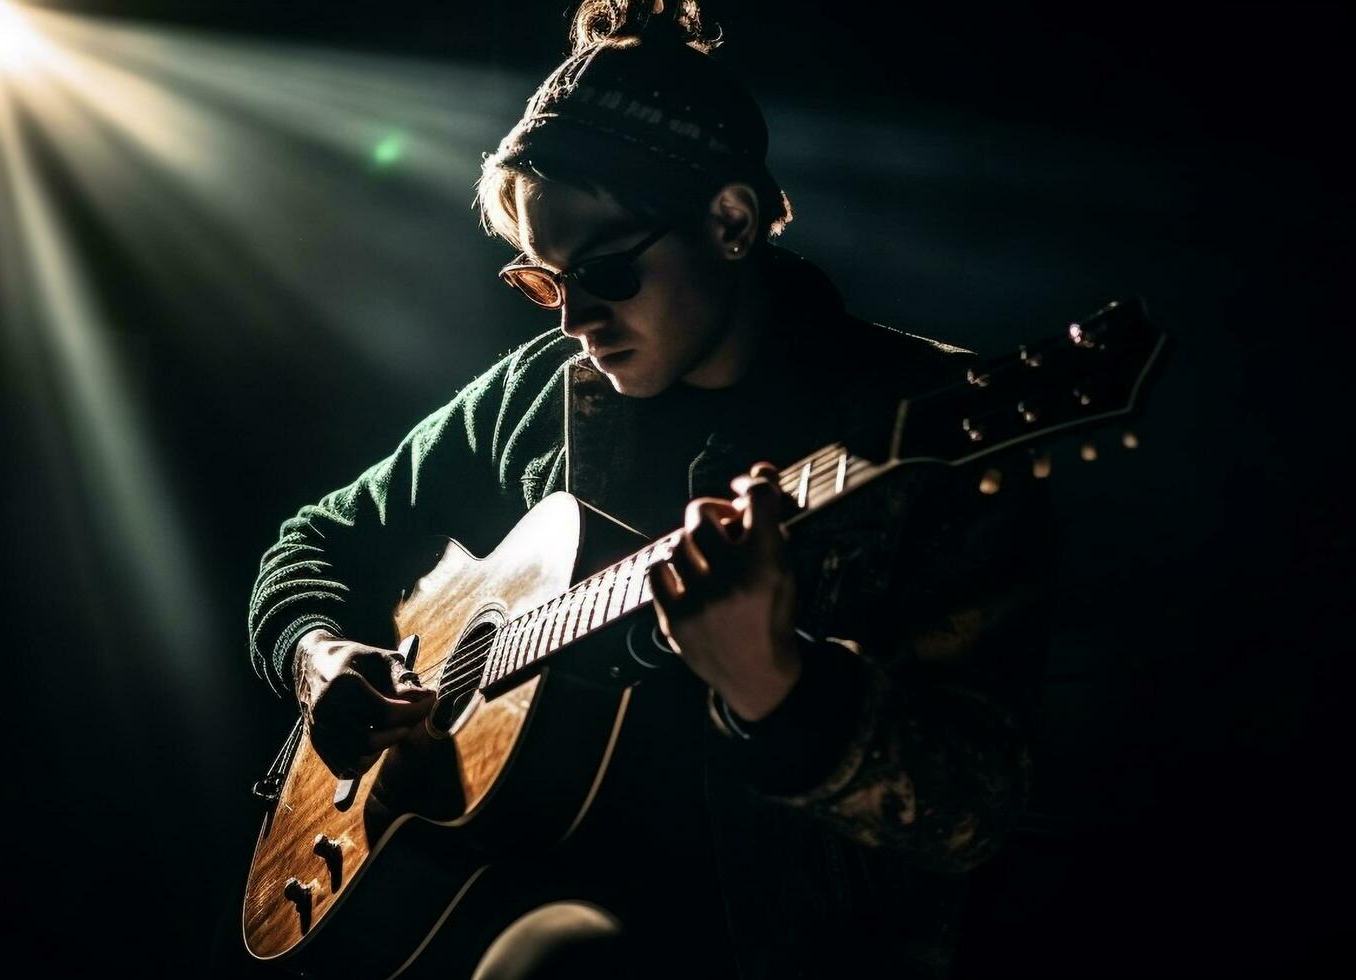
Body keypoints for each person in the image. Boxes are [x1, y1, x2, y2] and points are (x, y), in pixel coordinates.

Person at [248, 2, 1052, 976]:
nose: (572, 322)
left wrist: (775, 687)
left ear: (729, 221)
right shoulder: (535, 400)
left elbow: (985, 810)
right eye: (541, 283)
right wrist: (317, 655)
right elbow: (317, 536)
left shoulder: (911, 424)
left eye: (606, 273)